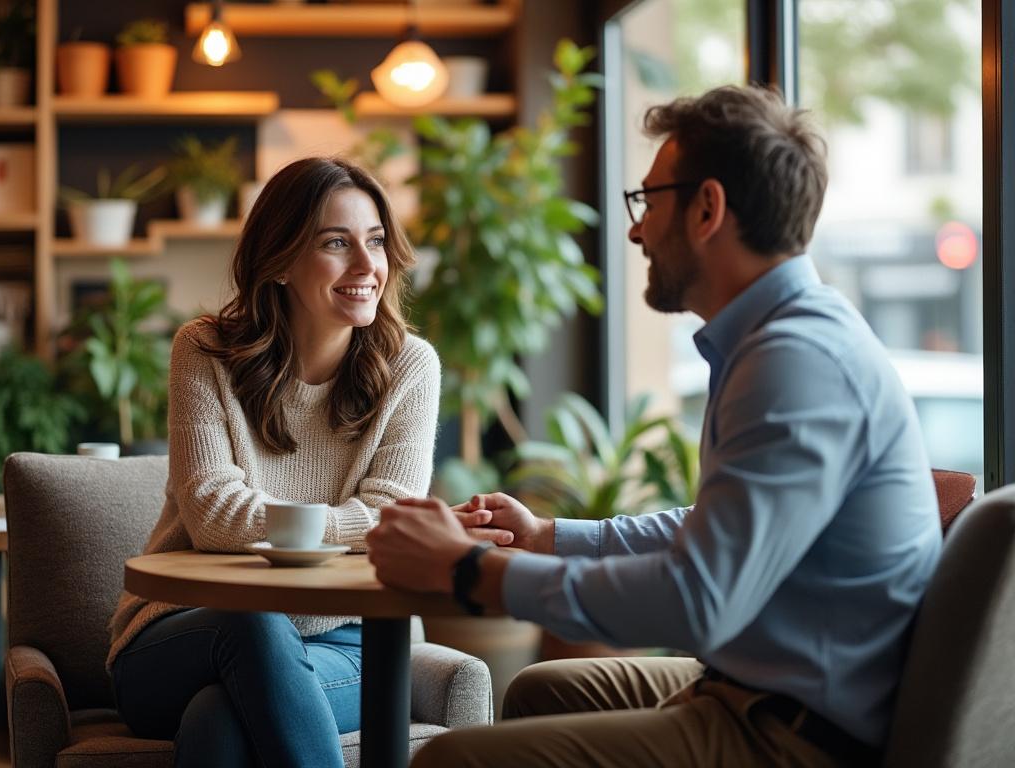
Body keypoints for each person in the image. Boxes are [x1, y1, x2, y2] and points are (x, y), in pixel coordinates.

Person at [366, 85, 942, 767]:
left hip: (798, 733)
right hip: (764, 687)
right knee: (538, 691)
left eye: (647, 201)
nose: (636, 231)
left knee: (448, 761)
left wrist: (471, 569)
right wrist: (547, 537)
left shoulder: (795, 364)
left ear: (707, 209)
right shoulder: (776, 341)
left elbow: (700, 599)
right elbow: (715, 528)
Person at [107, 157, 441, 768]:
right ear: (280, 260)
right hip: (184, 633)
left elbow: (393, 514)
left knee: (217, 718)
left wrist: (297, 527)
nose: (368, 267)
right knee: (251, 622)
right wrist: (345, 523)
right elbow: (212, 514)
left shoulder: (410, 367)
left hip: (350, 642)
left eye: (375, 242)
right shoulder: (205, 351)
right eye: (337, 244)